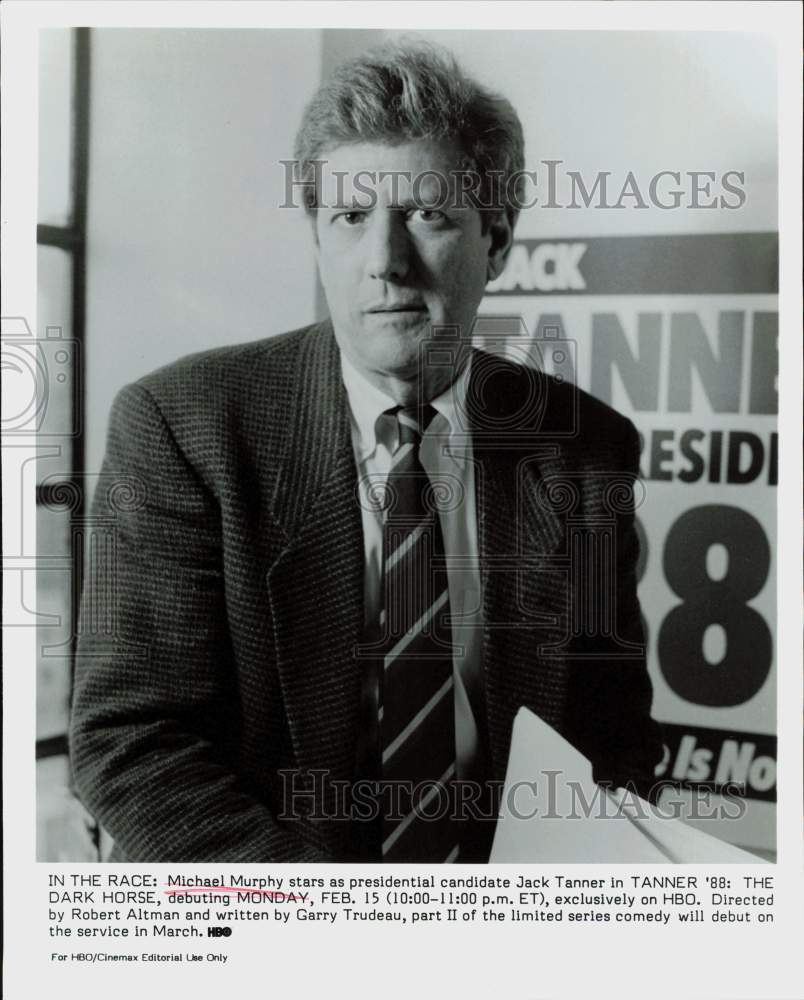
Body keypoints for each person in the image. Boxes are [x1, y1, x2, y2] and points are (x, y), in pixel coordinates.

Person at [70, 42, 663, 863]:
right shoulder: (183, 426)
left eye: (428, 214)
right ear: (318, 236)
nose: (385, 262)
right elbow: (129, 741)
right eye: (351, 218)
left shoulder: (583, 448)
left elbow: (612, 733)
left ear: (495, 242)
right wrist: (338, 940)